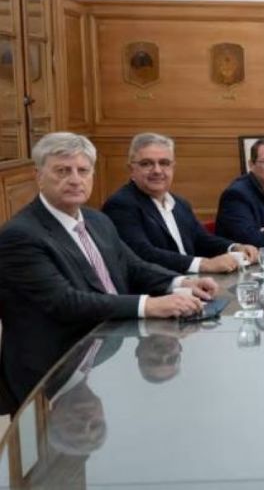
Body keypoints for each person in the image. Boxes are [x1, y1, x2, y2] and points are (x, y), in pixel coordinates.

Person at [0, 132, 216, 412]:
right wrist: (148, 304)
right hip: (54, 368)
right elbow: (65, 301)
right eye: (63, 171)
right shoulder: (20, 235)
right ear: (38, 175)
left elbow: (133, 265)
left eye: (83, 170)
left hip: (106, 346)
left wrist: (180, 282)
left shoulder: (96, 219)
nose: (75, 179)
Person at [102, 133, 259, 274]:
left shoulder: (179, 203)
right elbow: (143, 254)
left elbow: (201, 239)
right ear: (131, 169)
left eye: (164, 163)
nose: (157, 170)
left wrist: (235, 247)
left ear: (173, 167)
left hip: (193, 285)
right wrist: (204, 264)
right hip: (159, 294)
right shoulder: (121, 205)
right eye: (146, 163)